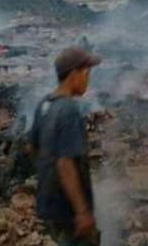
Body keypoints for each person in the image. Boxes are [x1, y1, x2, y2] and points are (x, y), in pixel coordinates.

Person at [30, 47, 102, 245]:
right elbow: (65, 163)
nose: (88, 79)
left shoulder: (44, 105)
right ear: (74, 74)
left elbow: (32, 148)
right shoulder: (69, 110)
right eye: (87, 73)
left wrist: (47, 178)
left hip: (49, 204)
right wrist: (82, 212)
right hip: (68, 209)